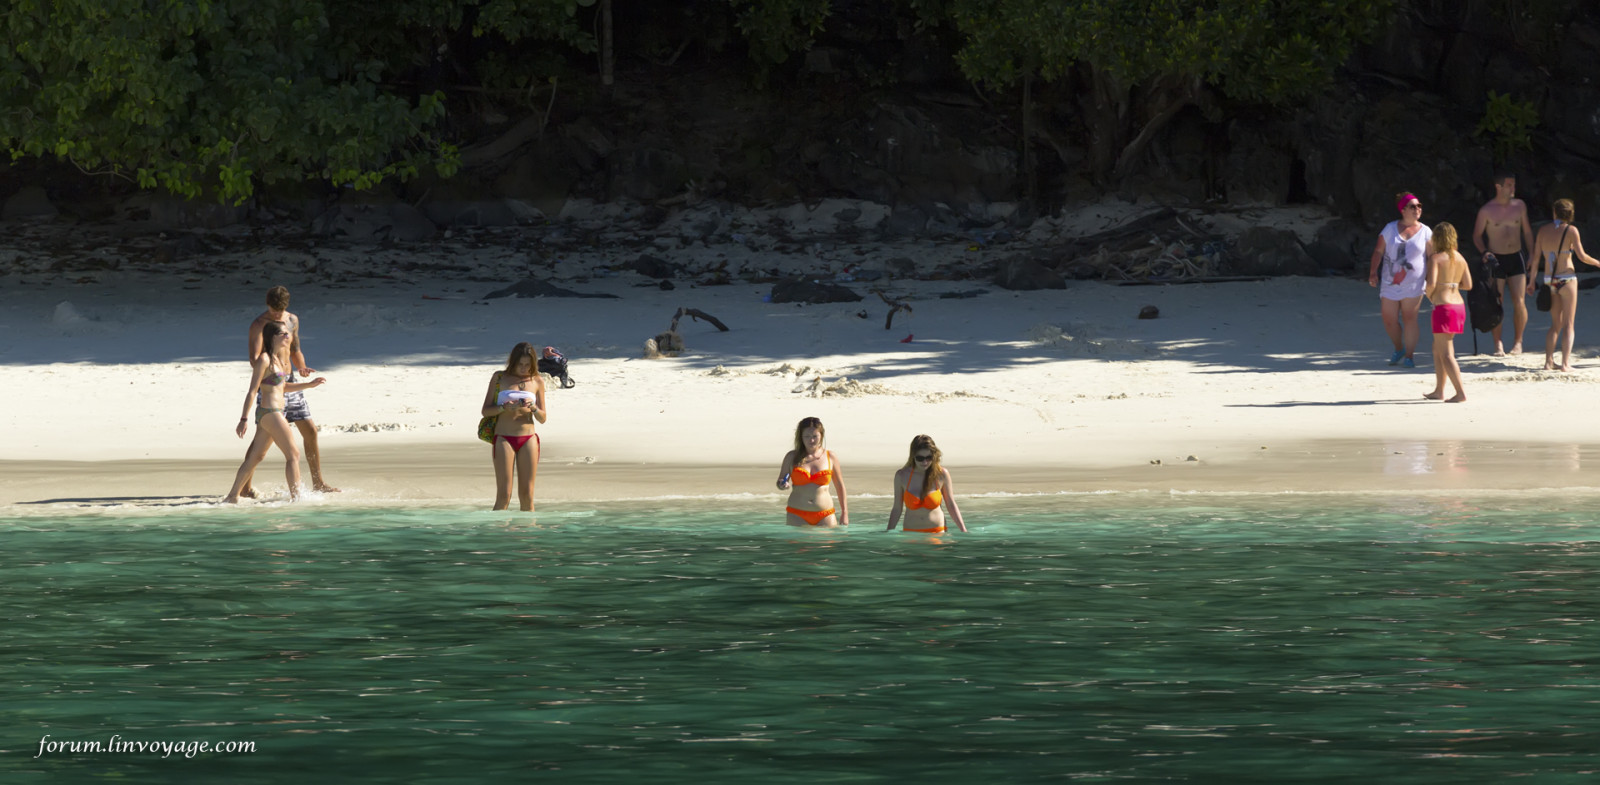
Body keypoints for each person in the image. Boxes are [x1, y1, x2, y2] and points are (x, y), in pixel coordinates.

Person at [239, 286, 339, 497]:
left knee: (310, 430)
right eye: (273, 310)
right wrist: (273, 375)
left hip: (290, 381)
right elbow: (254, 358)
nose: (277, 314)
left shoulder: (292, 320)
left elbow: (295, 350)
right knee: (261, 444)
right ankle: (245, 487)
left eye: (280, 310)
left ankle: (318, 482)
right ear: (267, 305)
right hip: (271, 385)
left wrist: (301, 367)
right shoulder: (259, 324)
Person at [224, 321, 327, 502]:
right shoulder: (264, 359)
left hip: (273, 413)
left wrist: (309, 385)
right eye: (283, 334)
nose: (288, 336)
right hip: (270, 412)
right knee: (293, 455)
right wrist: (243, 419)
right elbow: (252, 390)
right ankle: (297, 498)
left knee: (256, 457)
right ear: (273, 337)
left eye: (288, 333)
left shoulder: (278, 360)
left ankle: (232, 496)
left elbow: (283, 386)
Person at [1528, 199, 1600, 372]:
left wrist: (1531, 282)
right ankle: (1566, 364)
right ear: (1571, 214)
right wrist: (1598, 263)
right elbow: (1582, 256)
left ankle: (1548, 362)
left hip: (1550, 280)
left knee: (1555, 324)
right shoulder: (1571, 230)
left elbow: (1536, 259)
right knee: (1568, 324)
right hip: (1567, 278)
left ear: (1554, 212)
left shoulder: (1543, 231)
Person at [1471, 173, 1536, 355]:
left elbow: (1528, 232)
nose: (1513, 188)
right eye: (1509, 185)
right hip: (1496, 259)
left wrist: (1532, 254)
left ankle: (1518, 342)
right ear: (1498, 187)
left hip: (1516, 256)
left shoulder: (1520, 206)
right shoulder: (1486, 210)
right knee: (1496, 301)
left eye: (1514, 185)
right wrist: (1485, 251)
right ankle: (1498, 343)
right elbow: (1477, 235)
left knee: (1519, 301)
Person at [1368, 192, 1434, 368]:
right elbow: (1378, 251)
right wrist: (1373, 272)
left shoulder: (1426, 232)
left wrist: (1433, 279)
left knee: (1409, 317)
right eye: (1413, 206)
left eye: (1419, 206)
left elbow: (1433, 257)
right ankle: (1399, 348)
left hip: (1415, 283)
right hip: (1390, 282)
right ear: (1403, 209)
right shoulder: (1389, 229)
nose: (1417, 209)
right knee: (1388, 319)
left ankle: (1410, 356)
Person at [481, 342, 548, 511]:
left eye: (528, 365)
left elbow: (543, 418)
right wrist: (504, 407)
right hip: (504, 437)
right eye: (520, 364)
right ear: (513, 362)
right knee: (504, 495)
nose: (524, 368)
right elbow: (485, 411)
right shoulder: (499, 378)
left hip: (528, 438)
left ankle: (528, 535)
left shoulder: (537, 380)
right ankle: (499, 535)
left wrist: (533, 408)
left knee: (527, 496)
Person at [1424, 222, 1472, 403]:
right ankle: (1439, 390)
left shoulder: (1436, 258)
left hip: (1443, 306)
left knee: (1446, 353)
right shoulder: (1460, 258)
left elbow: (1431, 284)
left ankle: (1460, 392)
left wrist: (1430, 296)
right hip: (1458, 306)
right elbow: (1468, 285)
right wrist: (1452, 284)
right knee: (1437, 348)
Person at [775, 416, 849, 527]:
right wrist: (781, 484)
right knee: (798, 544)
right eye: (807, 436)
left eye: (815, 436)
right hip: (796, 514)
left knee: (826, 544)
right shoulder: (791, 457)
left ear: (821, 436)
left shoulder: (830, 457)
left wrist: (845, 513)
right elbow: (781, 480)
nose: (811, 440)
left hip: (825, 515)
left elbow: (840, 486)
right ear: (801, 437)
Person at [885, 435, 967, 534]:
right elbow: (897, 509)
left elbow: (951, 505)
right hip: (911, 534)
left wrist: (963, 530)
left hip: (937, 533)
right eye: (920, 458)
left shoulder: (941, 474)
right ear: (913, 456)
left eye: (929, 458)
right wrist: (888, 532)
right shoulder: (902, 476)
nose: (925, 462)